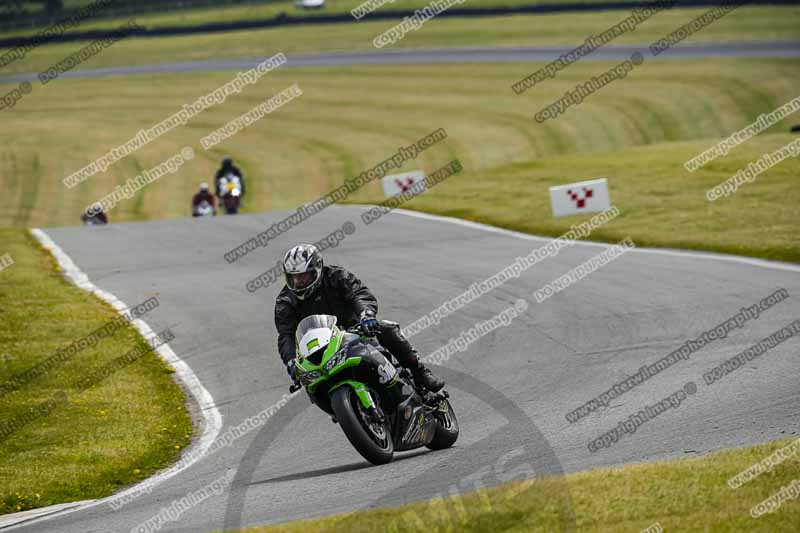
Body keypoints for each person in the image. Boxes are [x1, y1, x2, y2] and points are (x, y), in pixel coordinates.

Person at [274, 244, 445, 392]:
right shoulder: (285, 301)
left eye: (303, 276)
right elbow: (285, 335)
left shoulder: (337, 277)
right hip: (321, 347)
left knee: (386, 329)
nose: (298, 282)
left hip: (355, 330)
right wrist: (290, 361)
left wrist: (366, 315)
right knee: (310, 383)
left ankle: (420, 372)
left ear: (317, 270)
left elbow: (359, 294)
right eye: (293, 277)